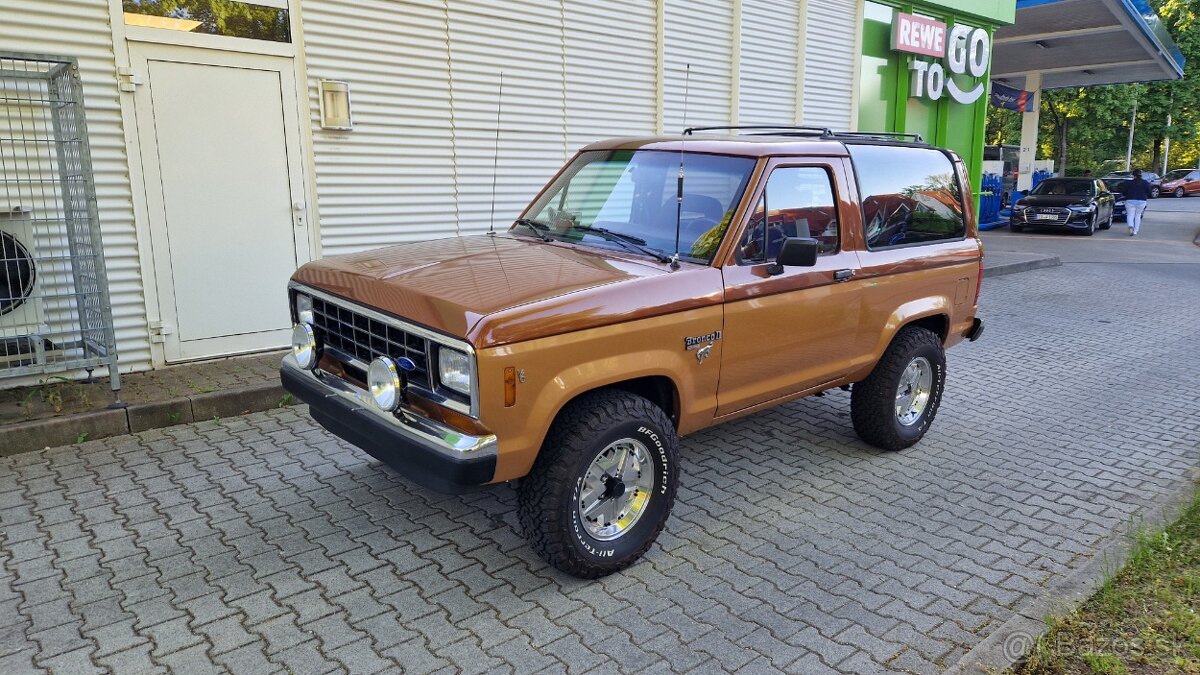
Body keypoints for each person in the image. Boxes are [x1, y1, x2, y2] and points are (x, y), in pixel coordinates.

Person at [1120, 169, 1152, 236]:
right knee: (1138, 215)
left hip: (1130, 200)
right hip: (1142, 201)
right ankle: (1135, 231)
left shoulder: (1128, 183)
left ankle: (1130, 226)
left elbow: (1124, 192)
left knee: (1130, 215)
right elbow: (1149, 192)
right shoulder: (1145, 183)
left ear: (1133, 175)